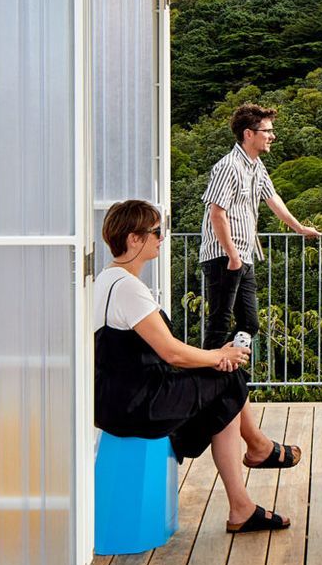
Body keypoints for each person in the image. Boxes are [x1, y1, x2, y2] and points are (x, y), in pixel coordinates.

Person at [94, 199, 298, 535]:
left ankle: (243, 501)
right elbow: (171, 352)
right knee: (229, 378)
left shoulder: (106, 280)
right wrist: (221, 356)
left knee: (223, 392)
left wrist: (217, 359)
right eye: (156, 232)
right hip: (138, 404)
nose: (162, 238)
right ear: (134, 239)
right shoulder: (129, 290)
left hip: (116, 399)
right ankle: (257, 451)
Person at [199, 103, 322, 353]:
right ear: (249, 134)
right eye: (267, 130)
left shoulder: (256, 166)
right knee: (219, 324)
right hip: (223, 257)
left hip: (243, 257)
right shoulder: (229, 166)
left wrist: (298, 228)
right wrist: (232, 256)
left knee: (249, 324)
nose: (272, 136)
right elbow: (216, 214)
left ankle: (228, 372)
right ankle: (205, 383)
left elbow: (272, 198)